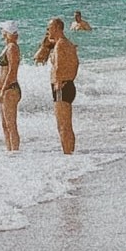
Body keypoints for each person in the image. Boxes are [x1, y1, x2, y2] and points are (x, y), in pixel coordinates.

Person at [42, 17, 78, 153]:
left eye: (49, 28)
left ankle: (68, 155)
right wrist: (71, 78)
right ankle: (70, 154)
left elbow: (57, 65)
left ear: (56, 28)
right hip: (68, 84)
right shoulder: (68, 44)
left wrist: (58, 81)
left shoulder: (60, 45)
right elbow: (76, 63)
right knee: (66, 125)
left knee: (63, 126)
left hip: (61, 86)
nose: (47, 31)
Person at [0, 21, 22, 152]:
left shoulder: (12, 48)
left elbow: (12, 71)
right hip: (6, 89)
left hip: (10, 89)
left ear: (7, 32)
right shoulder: (8, 46)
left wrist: (3, 88)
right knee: (5, 125)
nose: (1, 32)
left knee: (11, 125)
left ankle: (15, 152)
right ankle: (10, 152)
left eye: (3, 30)